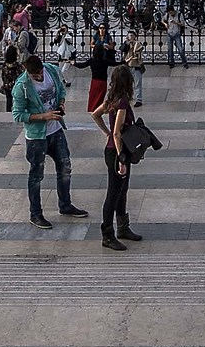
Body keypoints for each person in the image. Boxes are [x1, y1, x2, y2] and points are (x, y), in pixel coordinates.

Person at [12, 52, 90, 227]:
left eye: (40, 73)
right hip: (36, 137)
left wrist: (61, 102)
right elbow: (17, 115)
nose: (39, 77)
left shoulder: (51, 70)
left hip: (55, 131)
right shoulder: (21, 86)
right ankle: (35, 213)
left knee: (65, 167)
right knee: (36, 176)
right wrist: (43, 116)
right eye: (35, 75)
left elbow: (61, 89)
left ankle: (65, 204)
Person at [94, 62, 142, 250]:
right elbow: (117, 133)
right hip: (117, 152)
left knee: (122, 190)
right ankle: (107, 235)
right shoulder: (121, 102)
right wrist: (121, 157)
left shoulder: (111, 99)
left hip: (116, 150)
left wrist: (105, 131)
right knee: (113, 194)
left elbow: (95, 115)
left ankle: (123, 227)